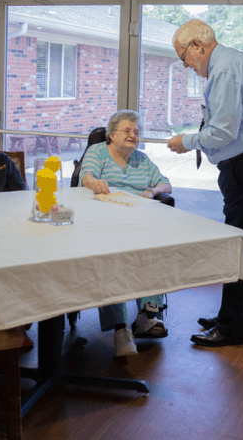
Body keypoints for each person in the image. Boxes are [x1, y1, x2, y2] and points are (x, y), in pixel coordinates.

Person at [167, 19, 243, 348]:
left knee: (240, 248)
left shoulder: (225, 69)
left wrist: (186, 140)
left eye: (183, 57)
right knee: (238, 245)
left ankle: (232, 330)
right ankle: (228, 317)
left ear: (197, 46)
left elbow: (223, 132)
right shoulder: (233, 60)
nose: (186, 65)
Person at [79, 109, 173, 357]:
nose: (133, 135)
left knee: (151, 251)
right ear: (111, 134)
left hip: (138, 221)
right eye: (127, 130)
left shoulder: (141, 159)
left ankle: (150, 314)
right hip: (103, 220)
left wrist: (152, 192)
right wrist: (94, 183)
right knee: (111, 259)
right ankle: (121, 328)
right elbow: (86, 174)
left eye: (137, 132)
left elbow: (166, 183)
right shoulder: (98, 151)